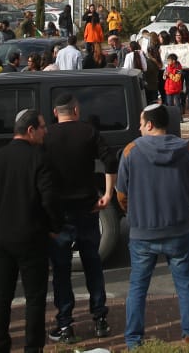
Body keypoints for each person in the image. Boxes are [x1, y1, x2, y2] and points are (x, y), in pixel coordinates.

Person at [117, 102, 189, 349]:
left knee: (138, 287)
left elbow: (121, 194)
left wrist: (133, 213)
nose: (139, 128)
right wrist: (184, 208)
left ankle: (134, 340)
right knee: (185, 284)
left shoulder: (131, 150)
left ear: (150, 124)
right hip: (178, 229)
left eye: (142, 123)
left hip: (143, 231)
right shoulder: (186, 149)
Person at [0, 109, 61, 353]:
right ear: (30, 130)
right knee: (35, 296)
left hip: (2, 235)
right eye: (43, 127)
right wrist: (54, 226)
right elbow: (49, 199)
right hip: (33, 235)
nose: (46, 131)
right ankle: (33, 347)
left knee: (2, 294)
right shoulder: (39, 159)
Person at [43, 94, 118, 343]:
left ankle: (65, 324)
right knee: (92, 263)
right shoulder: (88, 131)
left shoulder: (48, 136)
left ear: (56, 112)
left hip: (59, 211)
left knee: (61, 269)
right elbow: (109, 158)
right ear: (76, 110)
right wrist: (107, 194)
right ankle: (100, 318)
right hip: (88, 207)